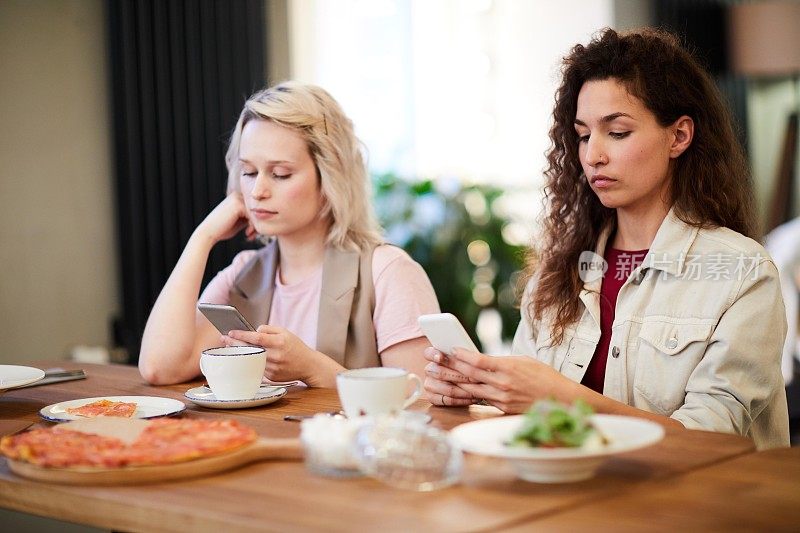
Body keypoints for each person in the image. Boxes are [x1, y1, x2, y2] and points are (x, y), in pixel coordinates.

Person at [424, 28, 789, 449]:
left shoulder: (744, 272)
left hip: (695, 508)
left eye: (617, 132)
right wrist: (479, 394)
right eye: (583, 135)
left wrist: (561, 399)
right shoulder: (557, 272)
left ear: (679, 136)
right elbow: (530, 425)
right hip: (576, 499)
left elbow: (711, 440)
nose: (593, 155)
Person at [139, 82, 439, 387]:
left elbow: (422, 402)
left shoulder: (388, 271)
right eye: (249, 172)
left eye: (280, 174)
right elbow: (158, 368)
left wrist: (313, 368)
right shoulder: (244, 273)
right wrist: (202, 238)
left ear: (330, 176)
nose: (257, 191)